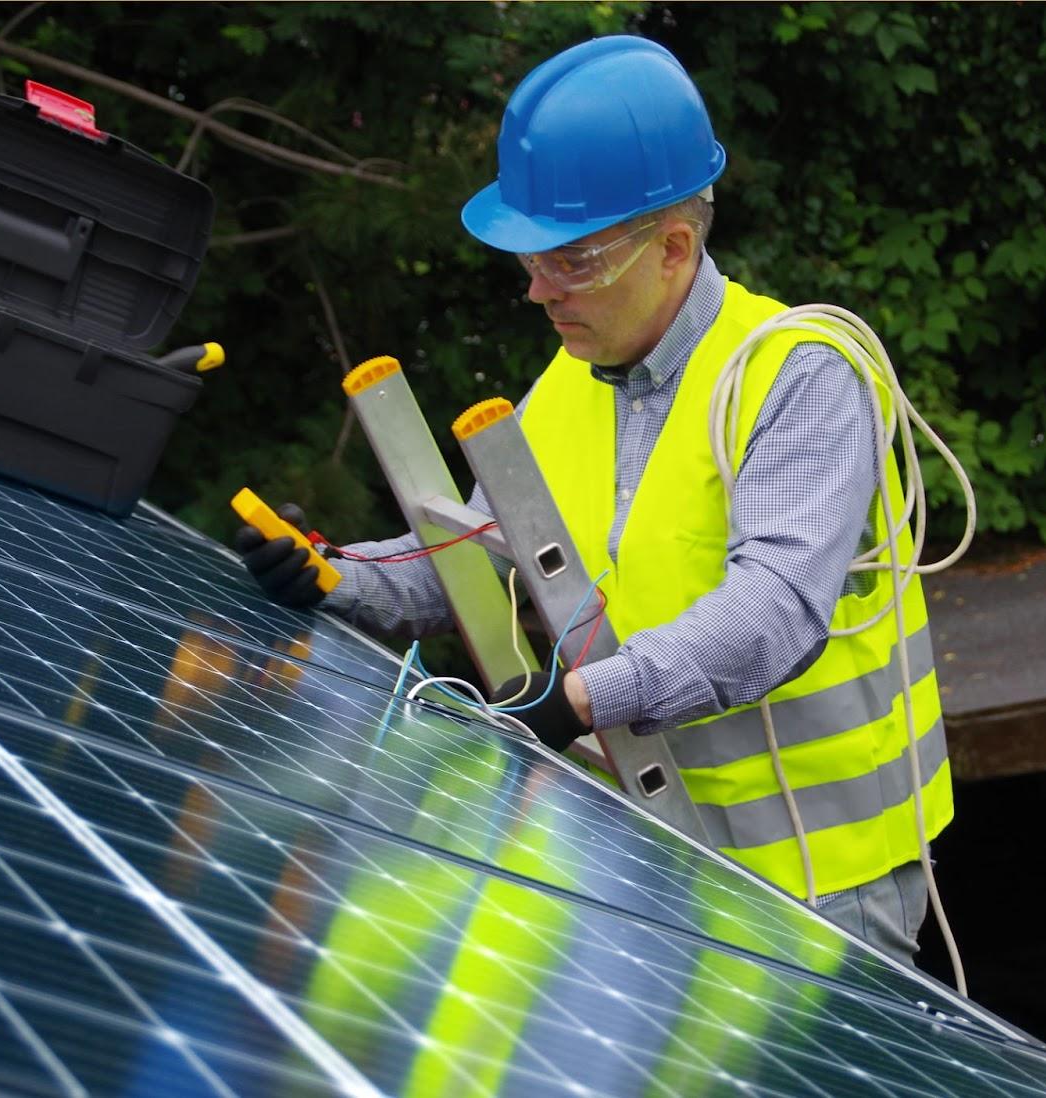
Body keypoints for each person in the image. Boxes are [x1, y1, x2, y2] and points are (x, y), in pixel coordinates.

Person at [234, 35, 950, 967]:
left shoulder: (798, 374)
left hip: (822, 885)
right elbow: (474, 552)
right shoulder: (570, 385)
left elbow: (774, 613)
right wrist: (334, 576)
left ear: (674, 248)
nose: (537, 292)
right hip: (661, 857)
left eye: (567, 261)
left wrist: (578, 702)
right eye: (530, 263)